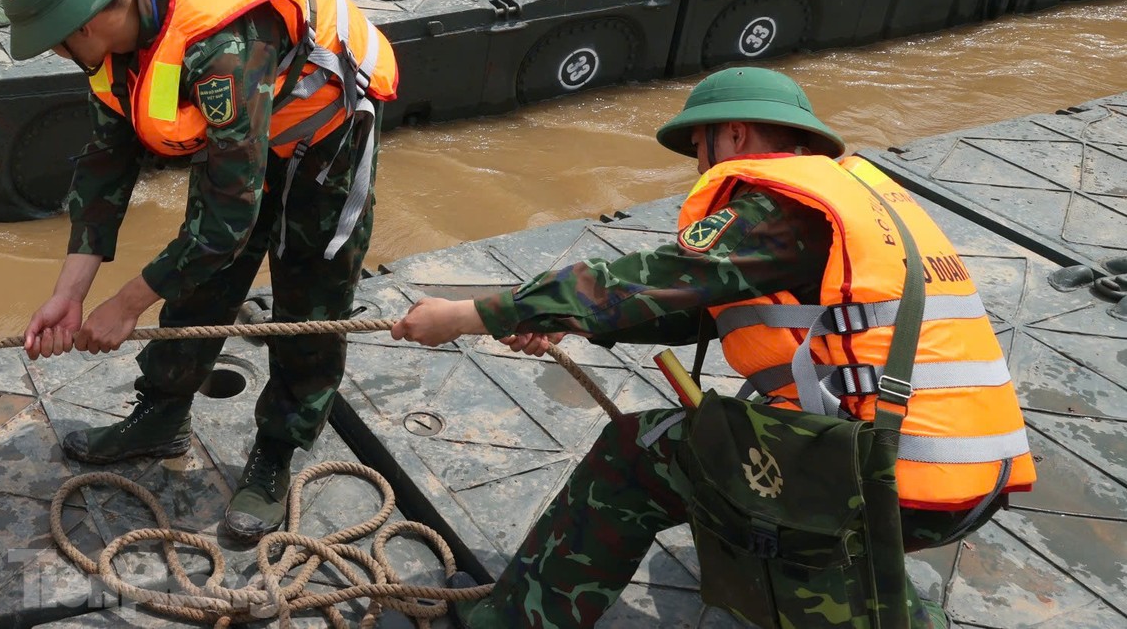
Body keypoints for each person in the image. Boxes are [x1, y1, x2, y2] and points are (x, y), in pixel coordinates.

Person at [392, 66, 1035, 629]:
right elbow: (698, 308)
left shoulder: (780, 210)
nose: (700, 164)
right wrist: (575, 323)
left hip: (890, 484)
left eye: (699, 145)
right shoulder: (853, 201)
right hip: (968, 477)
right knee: (710, 447)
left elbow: (641, 280)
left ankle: (511, 620)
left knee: (636, 456)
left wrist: (465, 315)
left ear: (733, 134)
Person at [5, 0, 399, 543]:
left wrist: (124, 305)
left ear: (85, 25)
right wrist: (70, 293)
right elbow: (105, 168)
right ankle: (162, 413)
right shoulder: (116, 47)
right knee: (201, 279)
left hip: (326, 136)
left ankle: (275, 452)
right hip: (245, 131)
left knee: (310, 300)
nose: (58, 54)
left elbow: (226, 224)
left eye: (54, 43)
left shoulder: (222, 50)